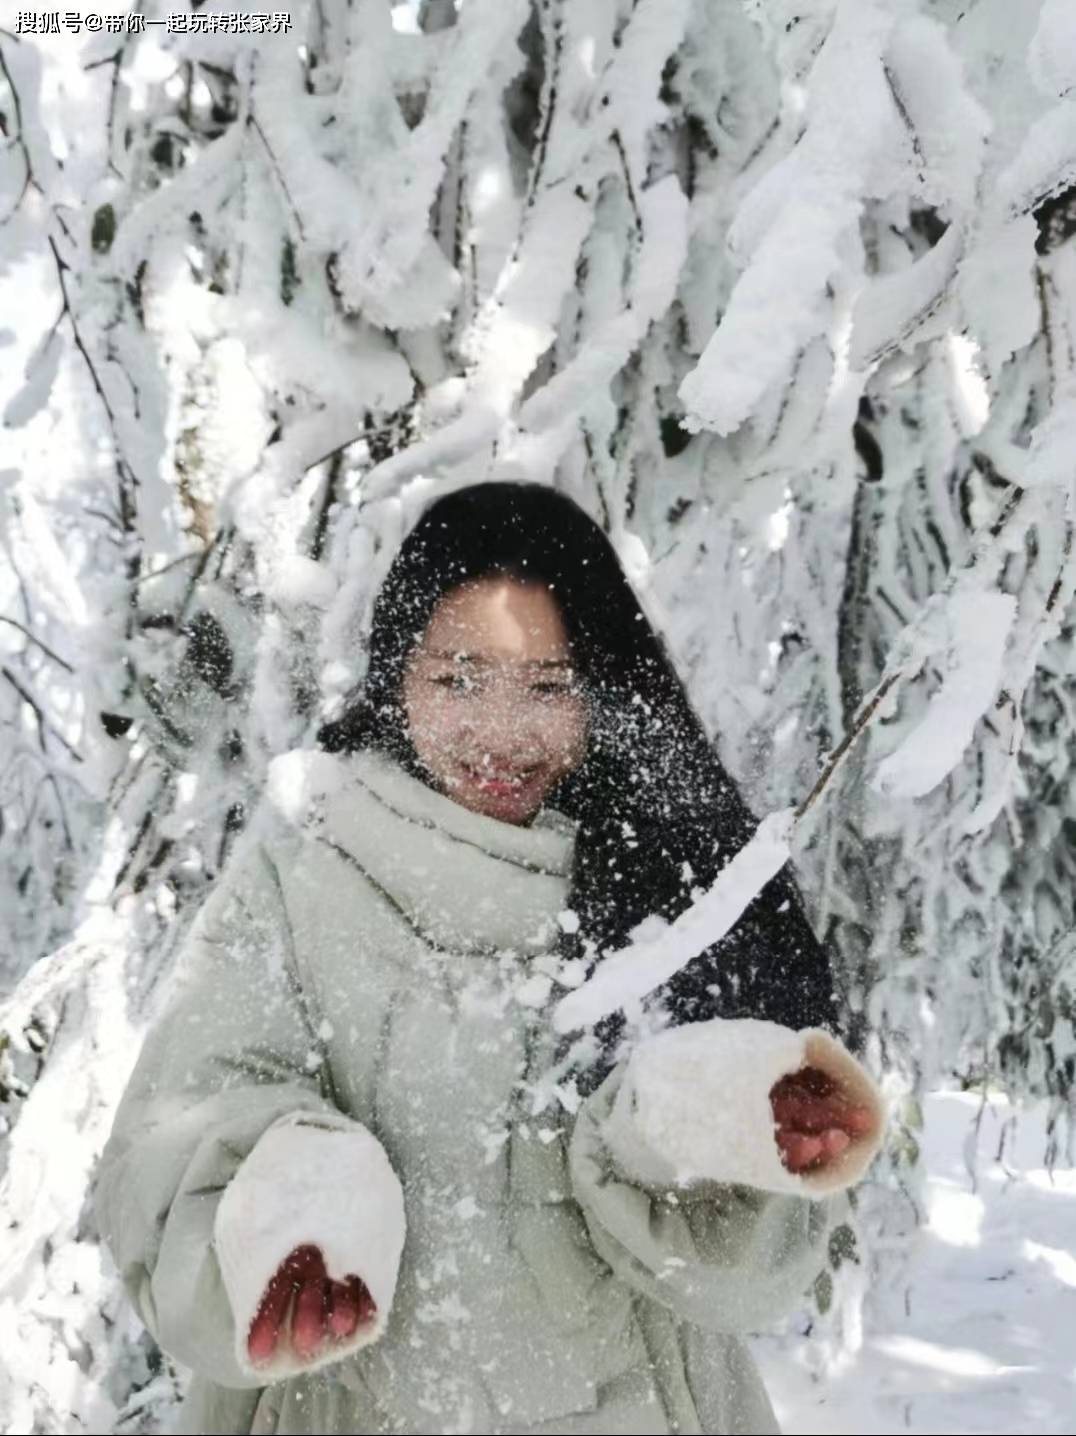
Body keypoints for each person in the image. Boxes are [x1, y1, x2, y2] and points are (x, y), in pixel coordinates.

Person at [96, 482, 884, 1436]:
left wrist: (712, 1121)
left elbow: (756, 1275)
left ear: (603, 689)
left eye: (548, 686)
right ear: (397, 676)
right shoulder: (306, 864)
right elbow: (174, 1131)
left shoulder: (673, 881)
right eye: (457, 678)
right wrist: (293, 1202)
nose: (501, 732)